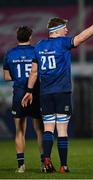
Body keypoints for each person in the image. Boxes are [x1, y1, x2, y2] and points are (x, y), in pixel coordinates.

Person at [22, 10, 93, 173]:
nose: (67, 30)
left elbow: (33, 72)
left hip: (45, 93)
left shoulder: (39, 45)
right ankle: (64, 165)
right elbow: (83, 37)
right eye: (65, 28)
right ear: (57, 30)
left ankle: (46, 160)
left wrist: (28, 90)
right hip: (62, 92)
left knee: (48, 128)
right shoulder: (63, 43)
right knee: (62, 129)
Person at [3, 26, 44, 173]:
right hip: (35, 93)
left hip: (19, 93)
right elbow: (40, 72)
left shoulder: (9, 53)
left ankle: (21, 165)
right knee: (40, 130)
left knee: (19, 131)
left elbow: (6, 77)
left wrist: (19, 78)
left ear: (17, 37)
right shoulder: (36, 51)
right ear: (30, 37)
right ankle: (43, 163)